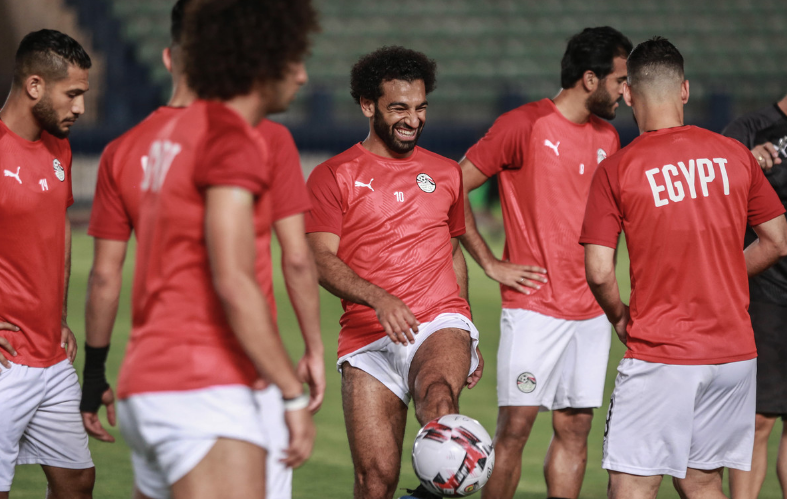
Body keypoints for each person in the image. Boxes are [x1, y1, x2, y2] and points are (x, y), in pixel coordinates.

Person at [81, 1, 323, 496]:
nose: (301, 76)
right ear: (258, 61)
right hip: (206, 389)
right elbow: (234, 280)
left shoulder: (169, 134)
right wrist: (292, 395)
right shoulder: (232, 140)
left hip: (148, 385)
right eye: (292, 59)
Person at [580, 37, 787, 499]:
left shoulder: (618, 169)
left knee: (633, 482)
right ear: (686, 91)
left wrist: (618, 314)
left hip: (663, 353)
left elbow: (598, 270)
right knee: (700, 480)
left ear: (629, 94)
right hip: (734, 354)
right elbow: (777, 240)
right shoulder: (734, 154)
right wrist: (724, 273)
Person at [458, 26, 632, 499]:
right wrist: (490, 262)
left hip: (591, 312)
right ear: (591, 79)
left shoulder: (610, 138)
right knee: (515, 428)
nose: (627, 91)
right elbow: (453, 185)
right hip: (533, 310)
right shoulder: (524, 125)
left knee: (575, 430)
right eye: (620, 80)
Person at [305, 46, 483, 499]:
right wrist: (378, 298)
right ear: (368, 106)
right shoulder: (333, 176)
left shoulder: (445, 173)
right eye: (399, 108)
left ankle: (439, 486)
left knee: (440, 400)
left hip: (437, 320)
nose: (413, 119)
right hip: (367, 337)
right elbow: (320, 259)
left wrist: (468, 331)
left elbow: (453, 251)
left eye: (421, 107)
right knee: (374, 481)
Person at [0, 29, 94, 498]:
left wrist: (56, 316)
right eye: (72, 94)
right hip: (6, 360)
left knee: (77, 482)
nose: (79, 108)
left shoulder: (60, 147)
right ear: (35, 86)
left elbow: (57, 231)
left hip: (52, 355)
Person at [722, 93, 787, 499]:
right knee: (759, 418)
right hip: (766, 291)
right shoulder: (751, 129)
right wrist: (746, 160)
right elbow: (713, 187)